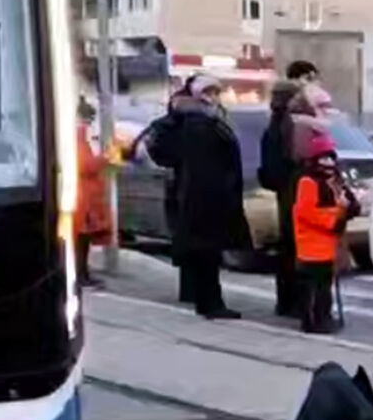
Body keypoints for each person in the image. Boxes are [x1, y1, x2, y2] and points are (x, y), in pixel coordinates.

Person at [148, 74, 250, 320]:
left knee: (205, 251)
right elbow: (203, 166)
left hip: (202, 195)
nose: (214, 97)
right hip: (204, 197)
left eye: (216, 92)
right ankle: (211, 303)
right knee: (207, 251)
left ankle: (207, 300)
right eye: (209, 92)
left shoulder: (205, 120)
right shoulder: (199, 124)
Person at [293, 132, 357, 334]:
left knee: (325, 286)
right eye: (323, 158)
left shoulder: (335, 181)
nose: (328, 163)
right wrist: (336, 218)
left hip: (328, 245)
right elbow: (308, 213)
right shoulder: (308, 182)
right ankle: (312, 321)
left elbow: (348, 205)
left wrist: (349, 207)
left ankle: (324, 317)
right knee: (314, 287)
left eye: (330, 158)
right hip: (311, 246)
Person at [260, 80, 301, 318]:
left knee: (287, 247)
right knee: (296, 247)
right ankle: (296, 302)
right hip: (295, 191)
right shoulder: (291, 125)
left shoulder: (273, 125)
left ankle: (285, 301)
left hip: (283, 192)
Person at [75, 97, 110, 290]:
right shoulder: (79, 136)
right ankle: (81, 275)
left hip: (86, 195)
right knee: (81, 240)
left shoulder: (81, 137)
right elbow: (84, 165)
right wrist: (105, 159)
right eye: (89, 119)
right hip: (84, 196)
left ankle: (83, 273)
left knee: (83, 240)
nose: (90, 123)